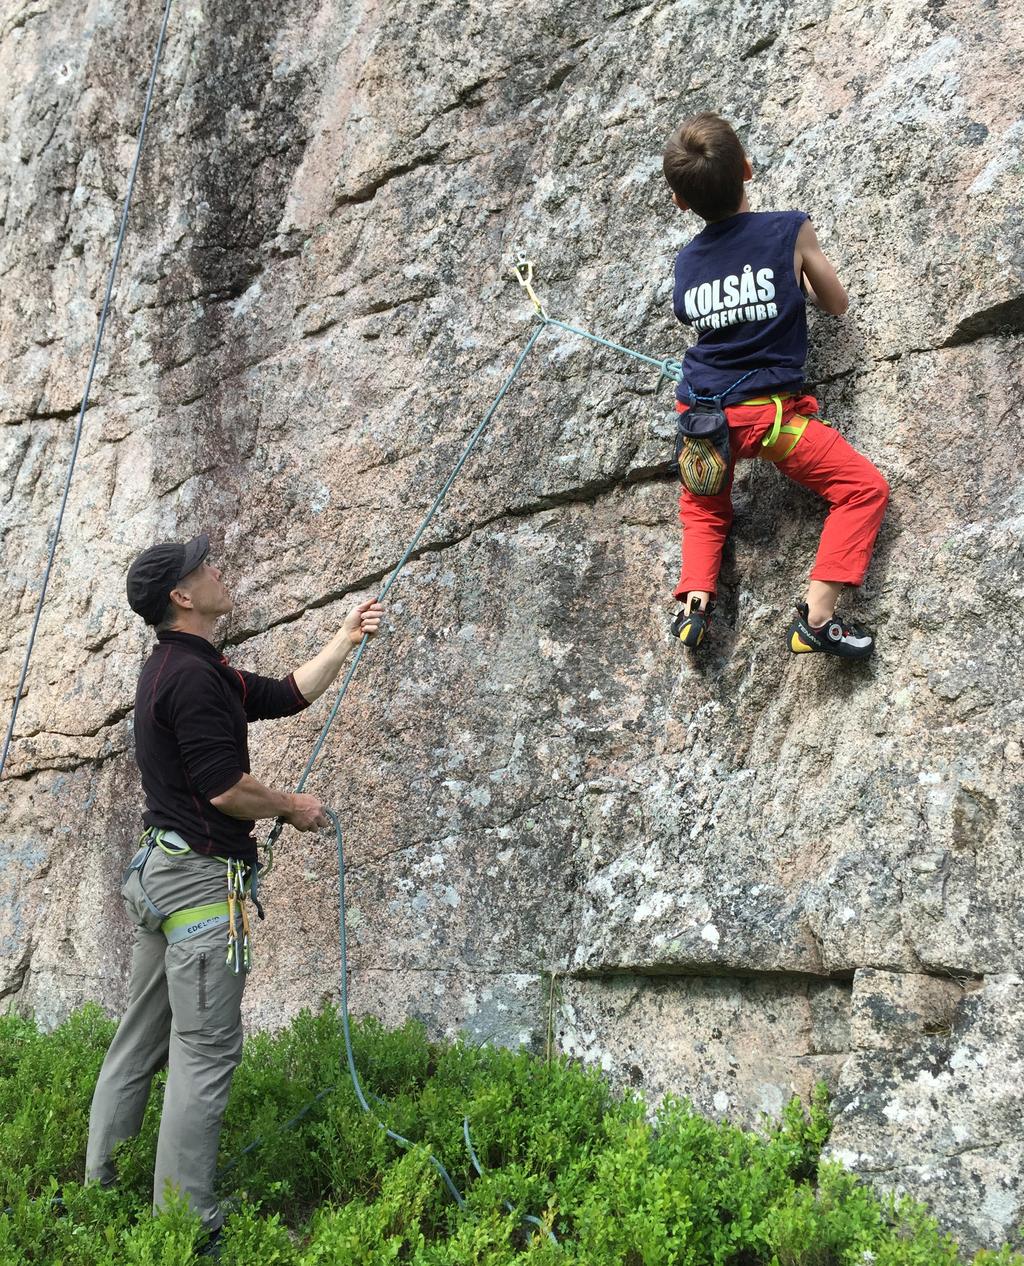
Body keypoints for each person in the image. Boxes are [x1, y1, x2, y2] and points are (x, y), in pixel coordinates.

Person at [85, 532, 383, 1252]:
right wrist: (290, 805)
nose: (219, 571)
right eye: (205, 567)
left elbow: (283, 695)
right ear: (182, 596)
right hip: (197, 888)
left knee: (139, 1040)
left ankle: (100, 1191)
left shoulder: (186, 667)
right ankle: (187, 1229)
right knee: (204, 1052)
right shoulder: (190, 679)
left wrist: (342, 640)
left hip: (162, 876)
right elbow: (225, 790)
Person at [662, 113, 889, 658]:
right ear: (746, 169)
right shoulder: (788, 229)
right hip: (771, 421)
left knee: (704, 507)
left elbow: (692, 315)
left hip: (700, 413)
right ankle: (817, 619)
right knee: (863, 491)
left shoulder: (688, 260)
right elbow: (836, 304)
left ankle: (695, 601)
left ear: (680, 202)